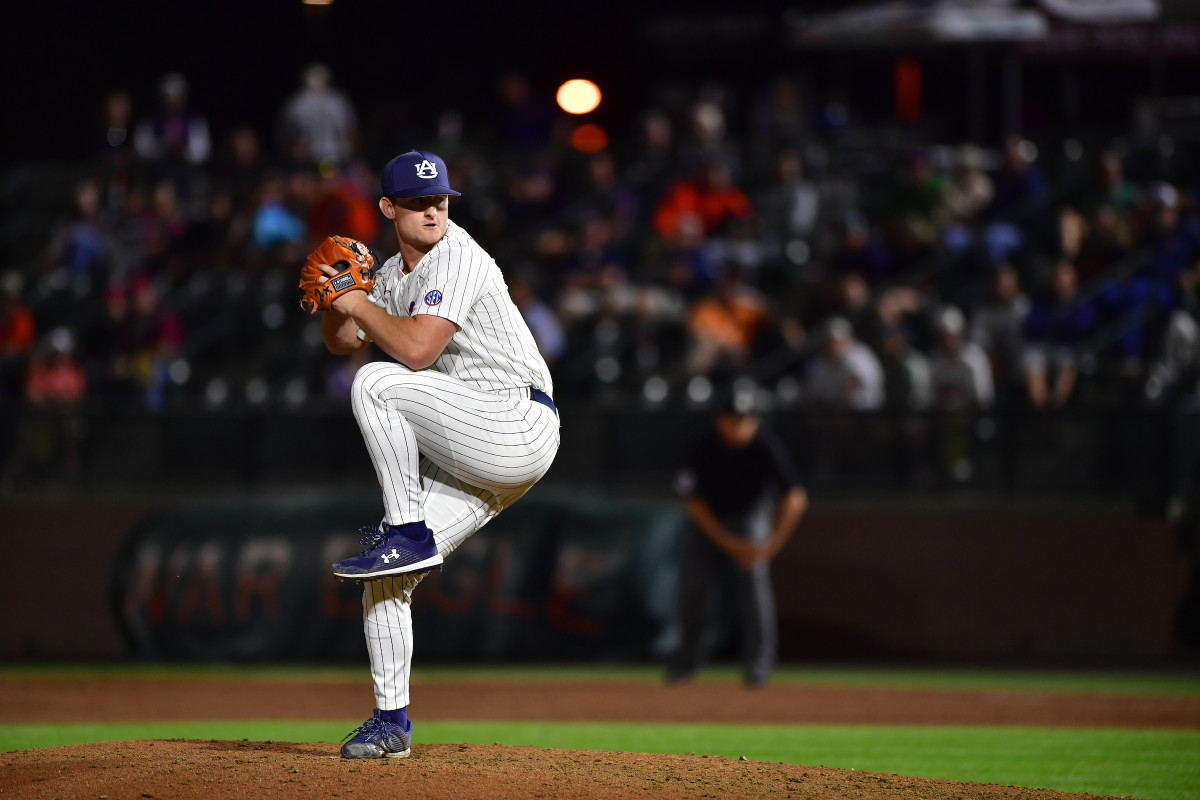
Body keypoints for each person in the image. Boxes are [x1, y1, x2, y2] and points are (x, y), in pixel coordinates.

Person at [311, 149, 560, 759]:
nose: (432, 210)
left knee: (375, 383)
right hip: (475, 449)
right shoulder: (394, 276)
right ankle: (391, 724)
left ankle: (406, 529)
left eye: (440, 200)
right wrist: (337, 299)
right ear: (388, 208)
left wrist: (358, 303)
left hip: (514, 419)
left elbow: (417, 352)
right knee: (387, 580)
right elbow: (344, 339)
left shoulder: (459, 253)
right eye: (418, 202)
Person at [667, 388, 807, 687]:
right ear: (720, 420)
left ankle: (758, 664)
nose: (739, 425)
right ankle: (686, 662)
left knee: (754, 587)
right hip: (710, 523)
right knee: (694, 589)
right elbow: (694, 503)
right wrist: (727, 543)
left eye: (745, 419)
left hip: (749, 519)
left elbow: (795, 497)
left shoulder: (765, 446)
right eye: (732, 418)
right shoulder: (703, 446)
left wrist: (771, 545)